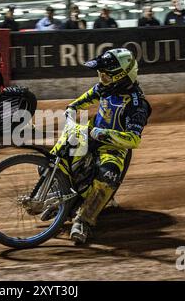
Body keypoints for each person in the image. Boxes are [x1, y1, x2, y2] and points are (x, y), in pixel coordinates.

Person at [52, 48, 151, 244]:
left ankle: (83, 221)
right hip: (89, 132)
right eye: (101, 75)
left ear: (121, 77)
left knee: (109, 173)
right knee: (56, 156)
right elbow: (85, 99)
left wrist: (103, 133)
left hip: (112, 148)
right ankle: (58, 193)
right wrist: (72, 107)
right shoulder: (106, 87)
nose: (101, 79)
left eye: (106, 76)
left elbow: (133, 139)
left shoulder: (137, 104)